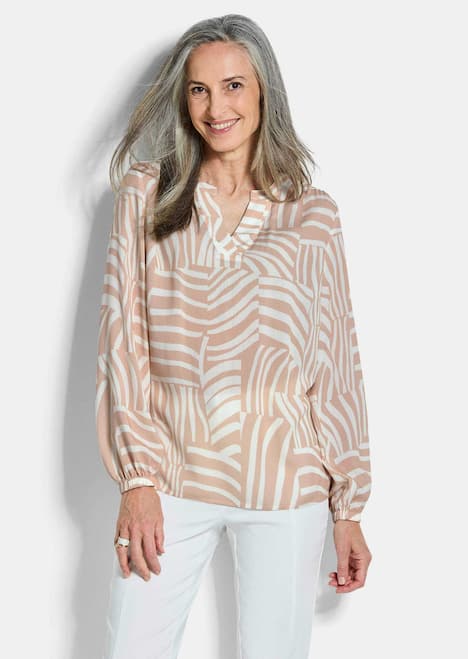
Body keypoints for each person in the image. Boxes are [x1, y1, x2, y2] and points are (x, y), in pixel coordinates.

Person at [95, 13, 373, 659]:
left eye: (233, 86)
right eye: (199, 89)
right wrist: (136, 479)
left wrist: (349, 507)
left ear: (264, 90)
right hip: (170, 476)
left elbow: (335, 362)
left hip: (286, 484)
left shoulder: (312, 215)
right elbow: (122, 340)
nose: (216, 108)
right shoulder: (147, 193)